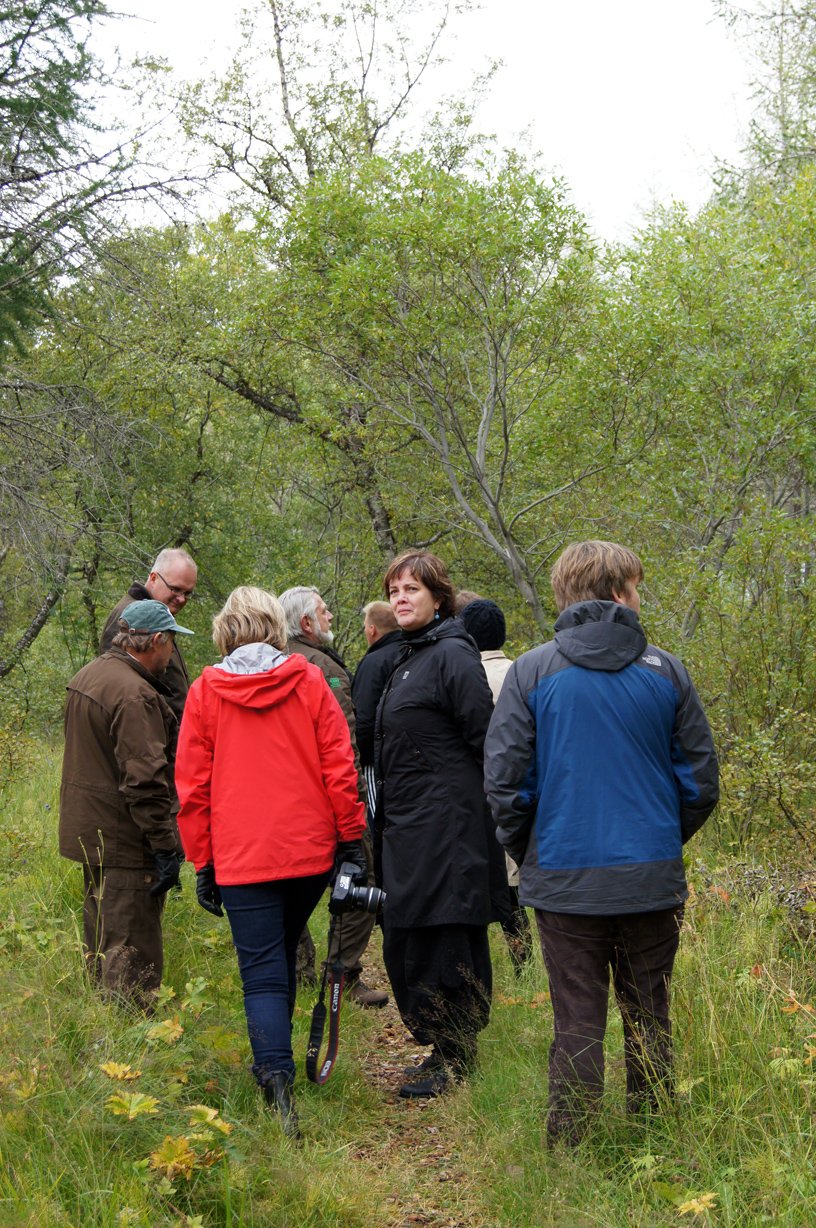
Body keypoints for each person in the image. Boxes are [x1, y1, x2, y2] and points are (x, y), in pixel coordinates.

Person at [484, 541, 719, 1146]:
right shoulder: (667, 672)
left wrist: (534, 846)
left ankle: (571, 1150)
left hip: (564, 879)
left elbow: (505, 783)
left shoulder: (532, 672)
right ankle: (655, 1137)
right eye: (636, 587)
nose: (639, 598)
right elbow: (698, 783)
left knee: (577, 1019)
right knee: (649, 1013)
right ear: (618, 593)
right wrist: (660, 838)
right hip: (649, 879)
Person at [175, 587, 366, 1137]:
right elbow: (339, 761)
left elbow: (193, 787)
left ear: (225, 631)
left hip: (242, 856)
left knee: (260, 972)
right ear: (274, 627)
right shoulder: (307, 679)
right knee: (280, 951)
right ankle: (275, 1071)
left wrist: (203, 862)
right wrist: (350, 840)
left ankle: (277, 1085)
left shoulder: (206, 691)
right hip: (308, 853)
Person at [376, 550, 508, 1099]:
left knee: (445, 935)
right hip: (409, 823)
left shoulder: (453, 653)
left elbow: (486, 738)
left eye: (412, 589)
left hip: (446, 827)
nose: (401, 598)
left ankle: (456, 1053)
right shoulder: (413, 654)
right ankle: (440, 1045)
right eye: (394, 590)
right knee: (408, 936)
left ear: (438, 597)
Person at [59, 600, 194, 1007]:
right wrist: (165, 845)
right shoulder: (135, 694)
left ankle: (104, 1028)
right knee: (130, 945)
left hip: (93, 832)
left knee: (101, 935)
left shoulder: (90, 675)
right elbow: (146, 782)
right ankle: (130, 1042)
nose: (171, 655)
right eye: (171, 643)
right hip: (125, 838)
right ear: (155, 640)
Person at [280, 585, 388, 1009]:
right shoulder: (321, 668)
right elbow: (344, 745)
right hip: (330, 801)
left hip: (286, 805)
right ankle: (341, 975)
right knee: (359, 881)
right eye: (324, 612)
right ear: (306, 623)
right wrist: (358, 805)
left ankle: (300, 969)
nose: (330, 618)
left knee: (289, 888)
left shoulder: (270, 660)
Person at [460, 598, 534, 976]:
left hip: (484, 793)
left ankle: (498, 965)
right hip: (528, 791)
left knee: (499, 886)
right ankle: (525, 963)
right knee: (516, 888)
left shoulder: (467, 676)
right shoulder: (525, 671)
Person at [100, 548, 198, 722]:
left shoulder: (157, 616)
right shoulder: (130, 617)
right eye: (175, 589)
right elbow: (117, 690)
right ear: (153, 578)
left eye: (187, 593)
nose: (182, 599)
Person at [351, 601, 403, 811]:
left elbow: (364, 718)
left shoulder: (373, 663)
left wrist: (358, 760)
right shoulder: (414, 652)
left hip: (377, 762)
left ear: (372, 630)